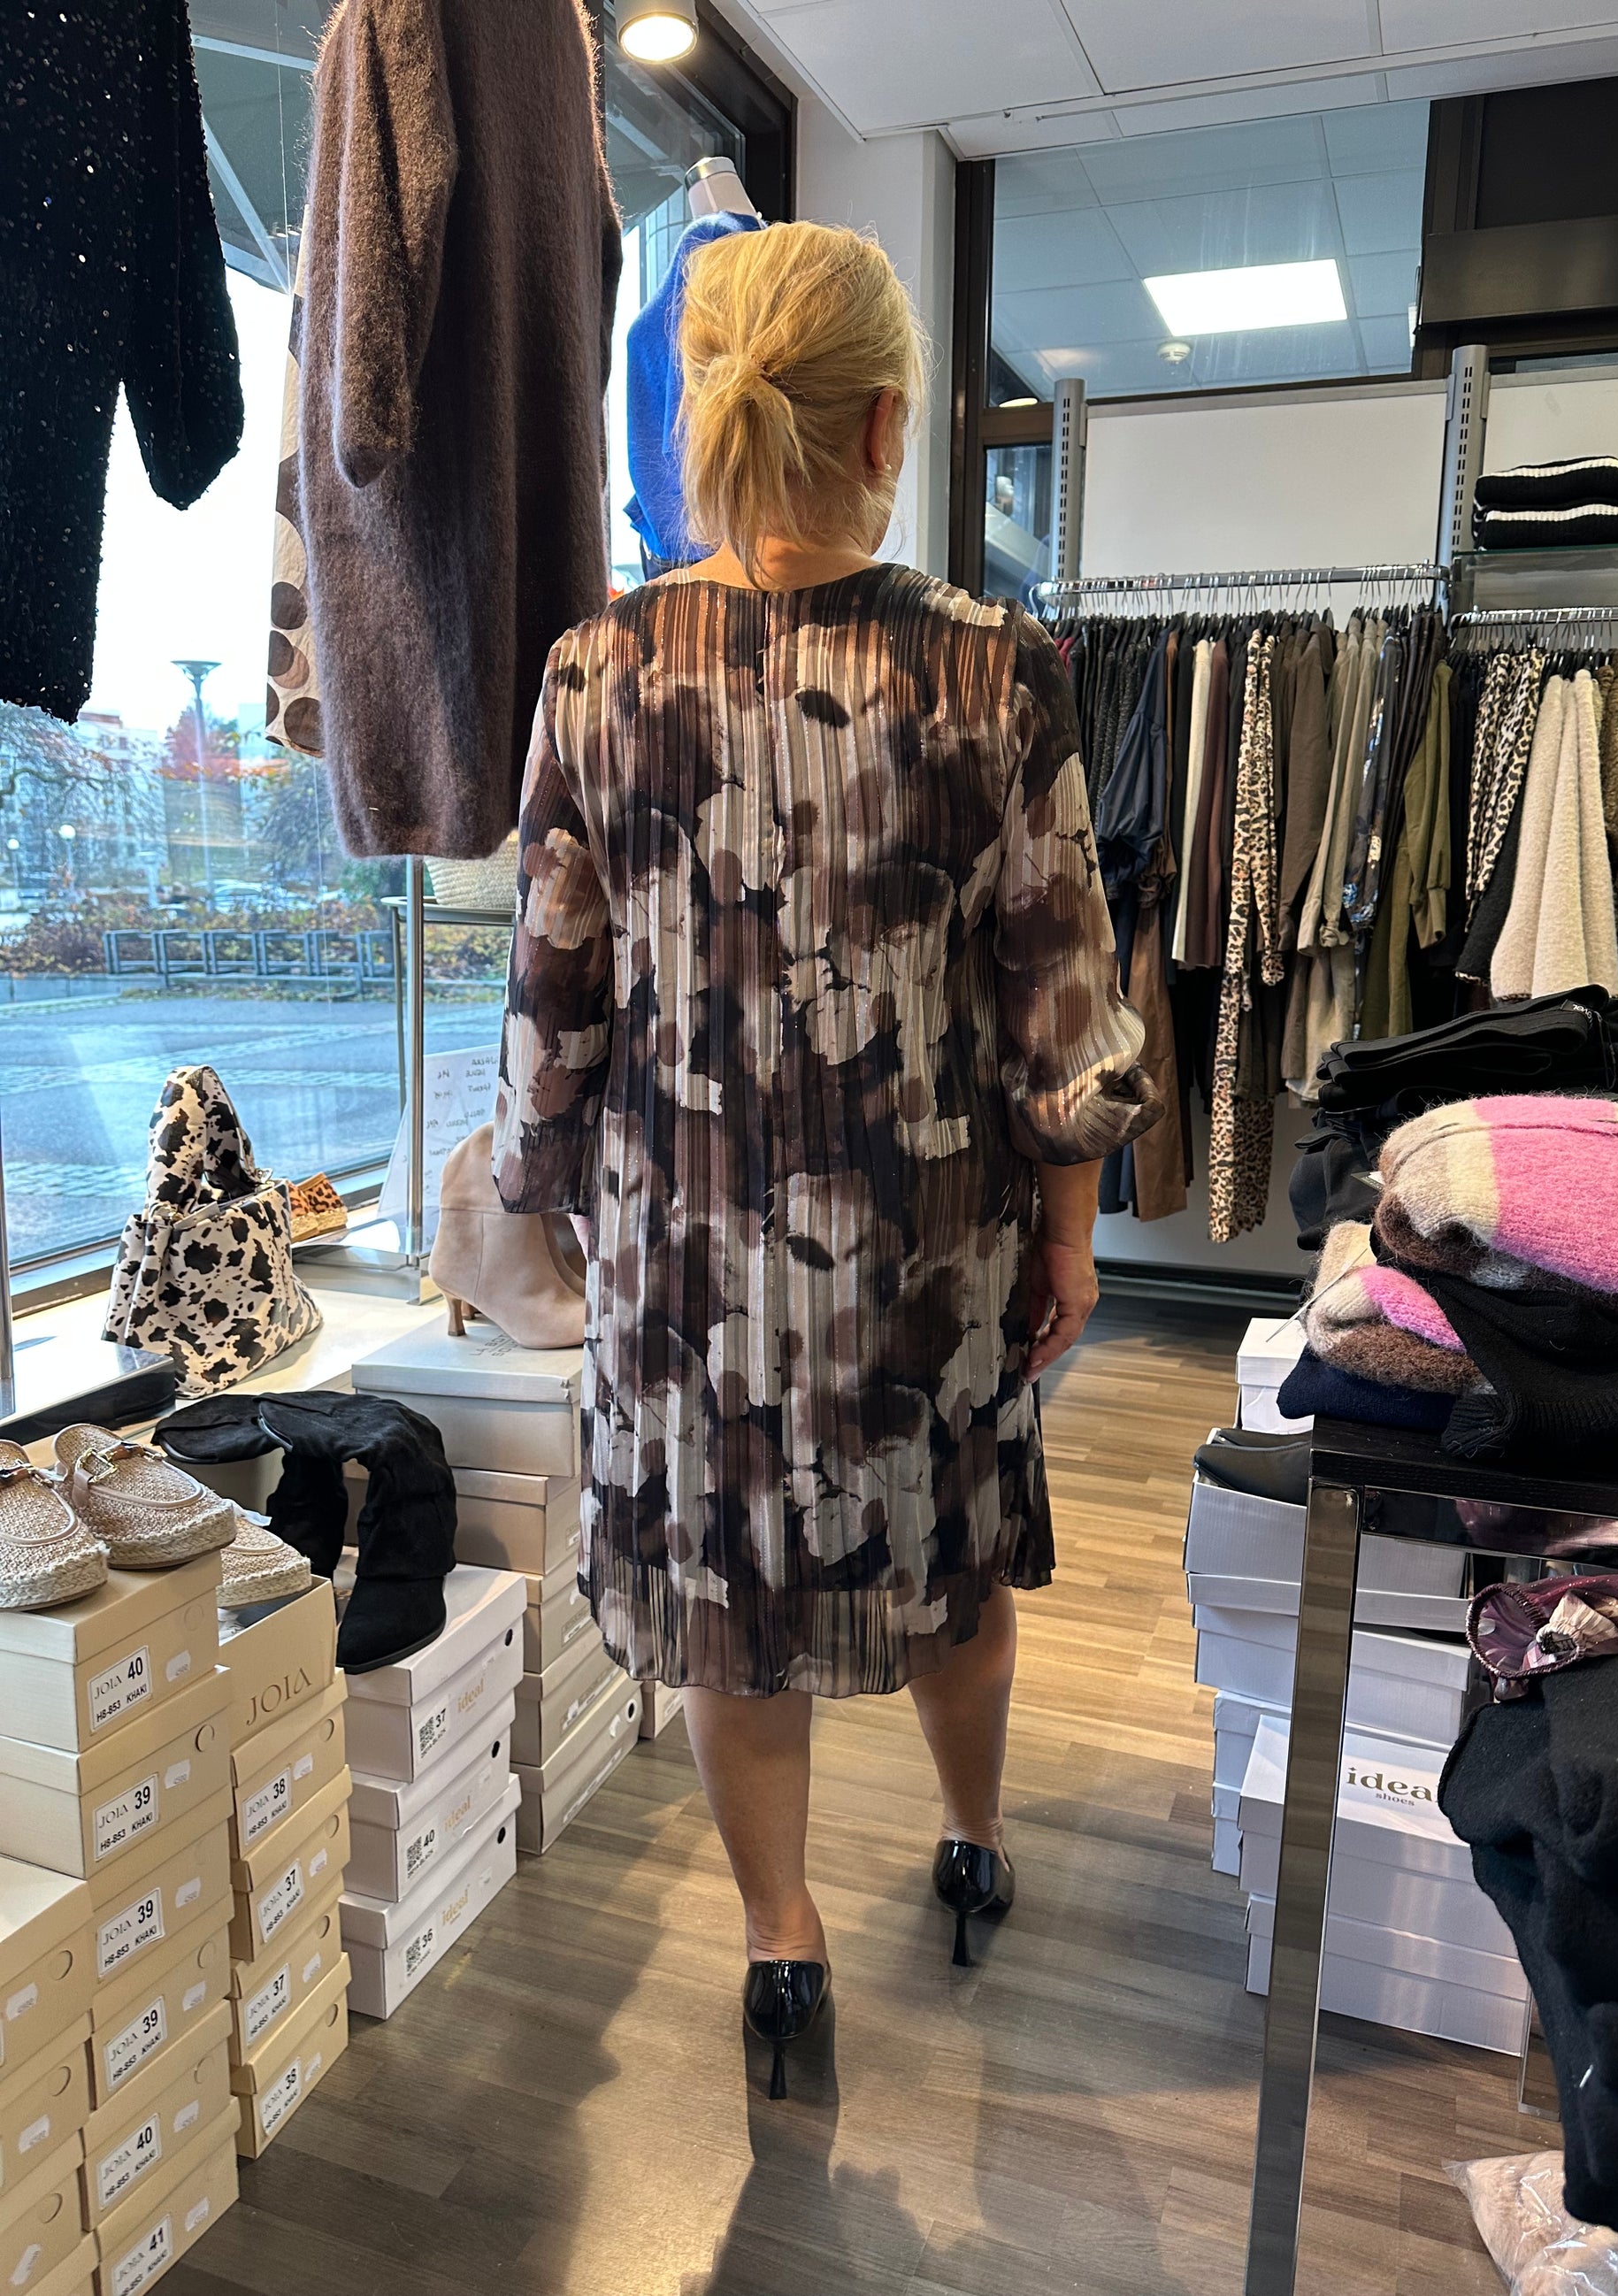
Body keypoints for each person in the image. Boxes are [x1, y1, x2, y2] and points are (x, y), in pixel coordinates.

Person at [494, 219, 1161, 2099]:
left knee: (728, 1611)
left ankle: (780, 1942)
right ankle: (971, 1839)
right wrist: (1069, 1238)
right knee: (951, 1565)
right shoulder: (991, 671)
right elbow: (1058, 998)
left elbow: (552, 995)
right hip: (921, 1249)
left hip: (679, 1257)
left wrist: (555, 1198)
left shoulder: (594, 669)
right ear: (886, 422)